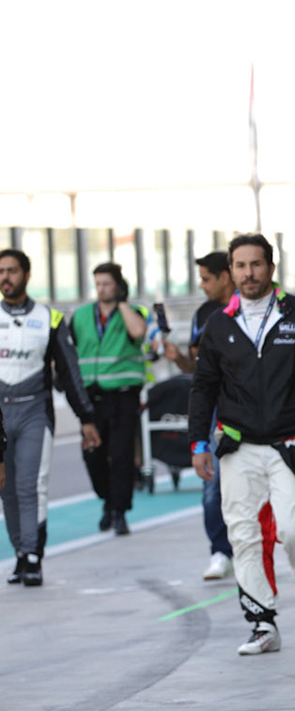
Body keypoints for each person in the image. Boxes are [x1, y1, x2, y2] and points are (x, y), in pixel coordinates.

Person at [188, 234, 295, 656]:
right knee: (243, 535)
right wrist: (197, 443)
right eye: (240, 266)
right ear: (231, 271)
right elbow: (203, 387)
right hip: (238, 447)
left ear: (271, 268)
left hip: (294, 442)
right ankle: (262, 625)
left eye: (256, 264)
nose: (249, 273)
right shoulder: (220, 323)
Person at [0, 248, 99, 586]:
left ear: (27, 275)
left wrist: (85, 417)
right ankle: (19, 551)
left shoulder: (50, 318)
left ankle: (33, 556)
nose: (5, 277)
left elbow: (70, 371)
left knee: (31, 484)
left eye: (12, 270)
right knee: (6, 488)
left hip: (34, 410)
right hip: (1, 412)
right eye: (1, 271)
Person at [163, 252, 243, 580]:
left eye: (206, 278)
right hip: (216, 412)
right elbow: (198, 370)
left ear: (225, 276)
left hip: (255, 410)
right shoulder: (203, 314)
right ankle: (220, 552)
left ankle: (251, 549)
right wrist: (178, 358)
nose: (202, 285)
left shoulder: (252, 307)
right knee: (213, 484)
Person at [70, 262, 147, 535]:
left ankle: (119, 512)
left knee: (121, 455)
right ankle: (108, 500)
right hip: (91, 397)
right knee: (93, 456)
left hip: (123, 396)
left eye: (107, 283)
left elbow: (138, 332)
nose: (101, 289)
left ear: (119, 285)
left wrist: (123, 303)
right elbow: (67, 351)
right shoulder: (80, 316)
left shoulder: (133, 313)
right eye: (98, 284)